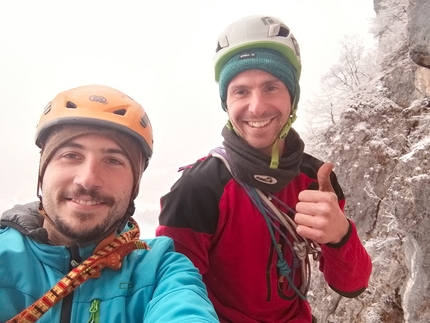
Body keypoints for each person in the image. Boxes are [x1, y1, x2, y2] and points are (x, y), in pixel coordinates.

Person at [156, 15, 372, 323]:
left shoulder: (315, 181)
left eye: (271, 87)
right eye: (241, 91)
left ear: (292, 98)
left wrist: (340, 235)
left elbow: (351, 285)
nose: (256, 107)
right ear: (227, 104)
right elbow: (171, 290)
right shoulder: (199, 189)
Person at [0, 85, 219, 323]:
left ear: (135, 183)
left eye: (113, 161)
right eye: (71, 155)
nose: (88, 179)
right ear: (43, 168)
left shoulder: (160, 270)